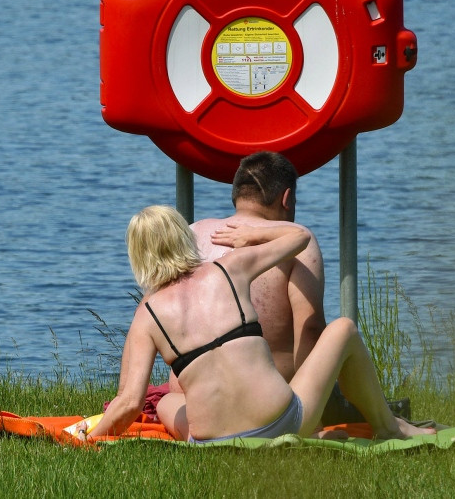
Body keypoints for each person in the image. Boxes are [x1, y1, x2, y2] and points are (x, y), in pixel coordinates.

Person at [83, 205, 432, 443]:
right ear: (183, 238)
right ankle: (387, 426)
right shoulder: (229, 268)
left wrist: (88, 442)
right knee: (343, 329)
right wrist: (252, 234)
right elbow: (300, 237)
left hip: (213, 442)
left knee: (161, 402)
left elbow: (129, 403)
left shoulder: (146, 315)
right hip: (283, 423)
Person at [190, 151, 371, 425]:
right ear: (286, 198)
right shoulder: (296, 243)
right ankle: (388, 424)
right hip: (269, 408)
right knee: (344, 330)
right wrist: (315, 408)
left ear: (237, 194)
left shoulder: (192, 234)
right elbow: (309, 330)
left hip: (197, 406)